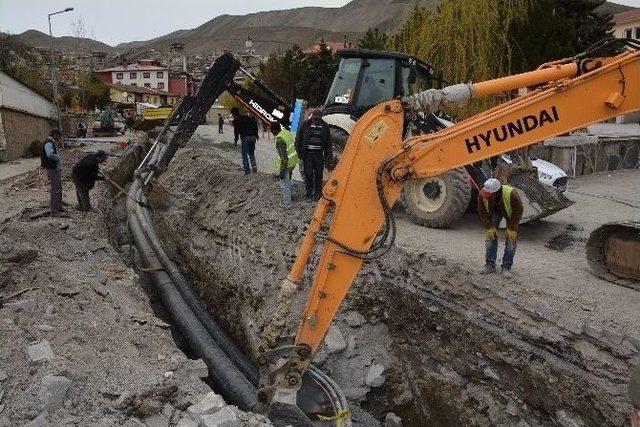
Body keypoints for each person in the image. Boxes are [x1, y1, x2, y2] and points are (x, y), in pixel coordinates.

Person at [477, 178, 523, 278]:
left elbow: (518, 210)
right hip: (493, 212)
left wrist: (512, 227)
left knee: (511, 241)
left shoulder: (511, 194)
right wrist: (489, 227)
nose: (486, 196)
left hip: (510, 213)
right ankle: (490, 265)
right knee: (490, 238)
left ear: (496, 192)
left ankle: (506, 267)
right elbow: (481, 211)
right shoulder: (483, 193)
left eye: (490, 195)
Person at [295, 109, 332, 200]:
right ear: (312, 118)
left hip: (318, 154)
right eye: (315, 119)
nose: (316, 121)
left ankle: (317, 194)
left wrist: (328, 156)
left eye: (318, 119)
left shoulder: (325, 127)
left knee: (319, 175)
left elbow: (328, 143)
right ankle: (309, 194)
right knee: (308, 174)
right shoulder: (305, 125)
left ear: (321, 118)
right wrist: (300, 154)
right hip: (307, 154)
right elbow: (298, 140)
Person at [270, 122, 298, 209]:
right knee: (288, 179)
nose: (271, 132)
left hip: (287, 164)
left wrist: (282, 171)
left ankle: (287, 205)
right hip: (293, 161)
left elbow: (284, 158)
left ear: (274, 130)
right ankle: (293, 195)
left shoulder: (279, 140)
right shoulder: (286, 132)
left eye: (271, 131)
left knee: (284, 185)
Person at [40, 128, 63, 214]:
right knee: (55, 190)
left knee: (58, 188)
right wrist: (58, 157)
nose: (59, 138)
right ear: (54, 134)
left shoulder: (50, 142)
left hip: (54, 169)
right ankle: (54, 209)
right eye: (58, 135)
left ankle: (58, 206)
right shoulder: (48, 143)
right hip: (53, 169)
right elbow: (50, 155)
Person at [231, 107, 259, 174]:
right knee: (251, 152)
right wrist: (256, 135)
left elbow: (236, 131)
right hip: (253, 137)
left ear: (233, 114)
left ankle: (247, 171)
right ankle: (254, 167)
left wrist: (236, 140)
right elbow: (255, 124)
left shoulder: (236, 120)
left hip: (245, 138)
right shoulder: (247, 117)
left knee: (244, 155)